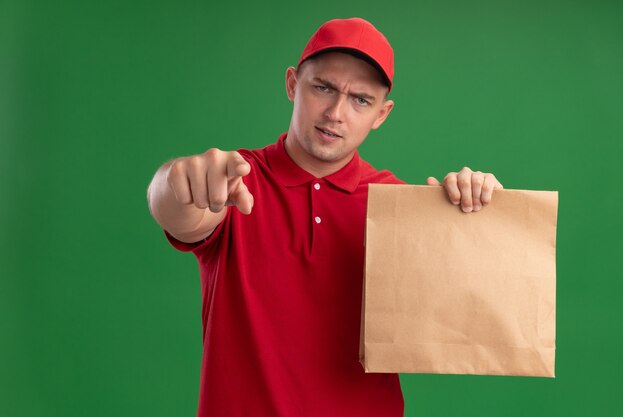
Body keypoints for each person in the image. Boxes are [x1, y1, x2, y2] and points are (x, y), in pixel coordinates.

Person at [147, 17, 503, 417]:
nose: (336, 112)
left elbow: (468, 306)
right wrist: (177, 181)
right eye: (323, 88)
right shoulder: (236, 181)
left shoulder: (399, 205)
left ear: (381, 114)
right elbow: (177, 211)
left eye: (360, 100)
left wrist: (481, 213)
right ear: (292, 85)